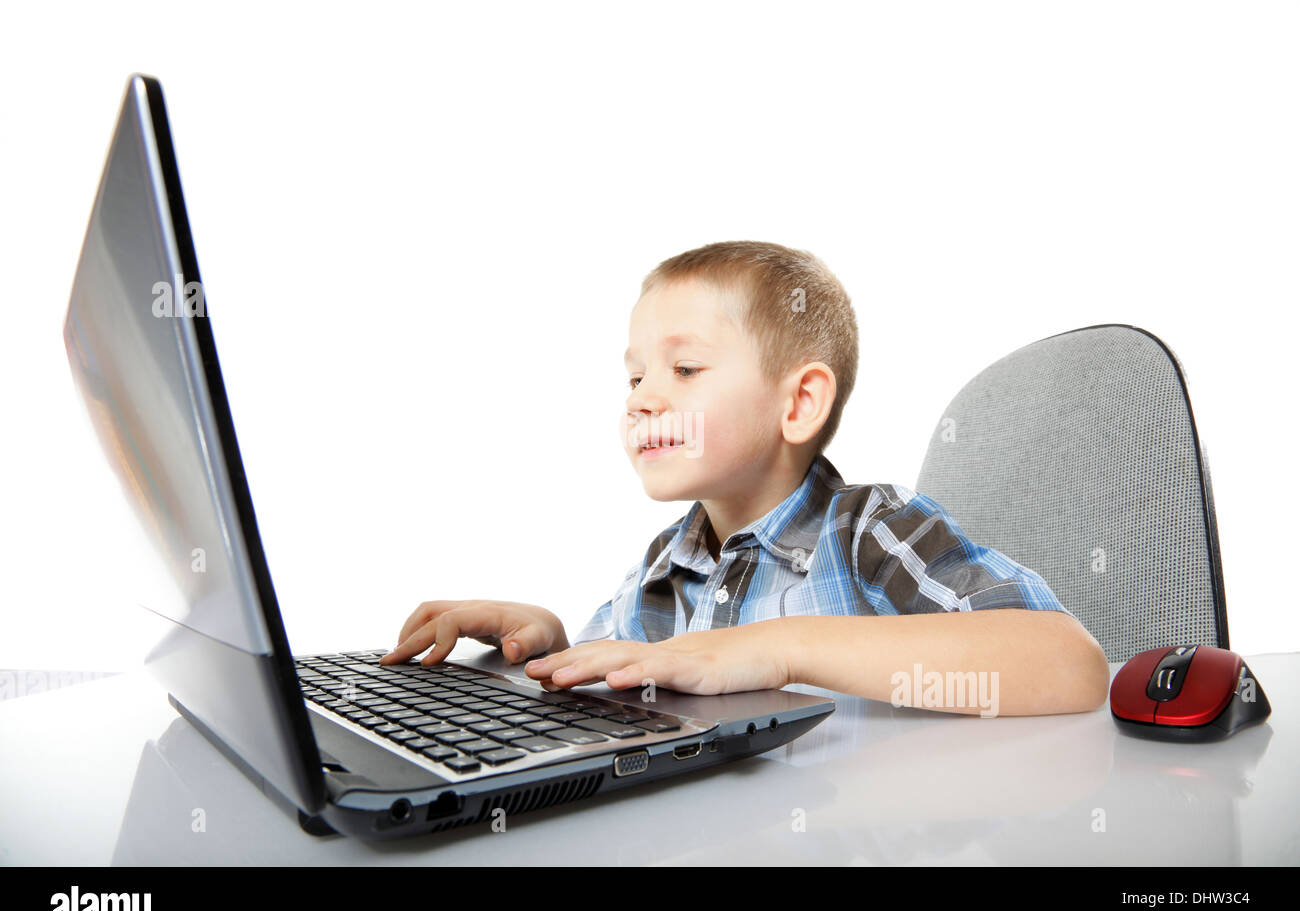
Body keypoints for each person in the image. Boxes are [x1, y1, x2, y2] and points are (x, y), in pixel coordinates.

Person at [380, 241, 1109, 716]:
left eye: (685, 369)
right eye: (634, 377)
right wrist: (544, 643)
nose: (641, 397)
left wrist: (777, 648)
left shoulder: (869, 531)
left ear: (798, 403)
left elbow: (1069, 665)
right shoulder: (666, 567)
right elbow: (615, 680)